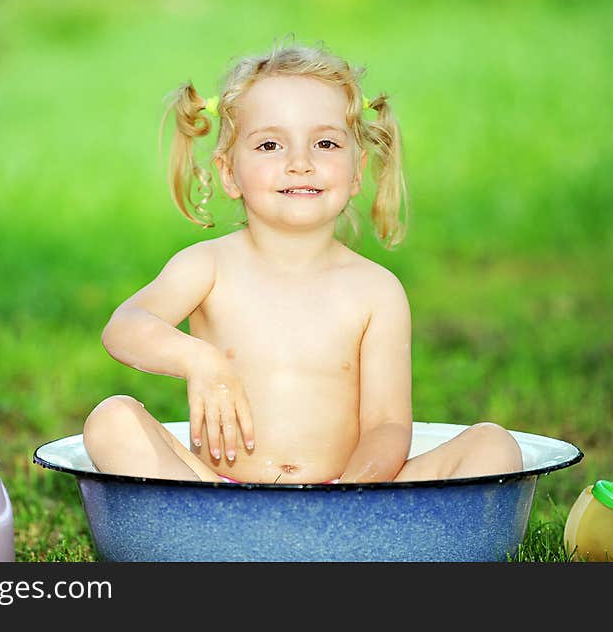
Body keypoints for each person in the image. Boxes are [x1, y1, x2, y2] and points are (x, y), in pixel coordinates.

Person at [83, 42, 523, 484]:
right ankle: (225, 535)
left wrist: (353, 492)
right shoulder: (208, 267)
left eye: (326, 143)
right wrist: (201, 361)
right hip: (216, 493)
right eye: (270, 144)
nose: (300, 163)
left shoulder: (376, 291)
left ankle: (336, 536)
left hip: (346, 491)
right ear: (229, 173)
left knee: (493, 445)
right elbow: (124, 328)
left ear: (356, 172)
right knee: (112, 419)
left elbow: (387, 425)